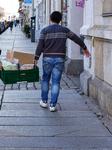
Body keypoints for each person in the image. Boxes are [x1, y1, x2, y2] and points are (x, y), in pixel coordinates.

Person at [34, 11, 90, 112]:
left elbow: (40, 46)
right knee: (56, 82)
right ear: (60, 21)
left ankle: (44, 101)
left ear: (50, 19)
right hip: (59, 59)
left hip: (47, 58)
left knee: (45, 79)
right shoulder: (64, 30)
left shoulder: (44, 30)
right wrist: (84, 47)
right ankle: (52, 105)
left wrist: (36, 58)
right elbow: (76, 38)